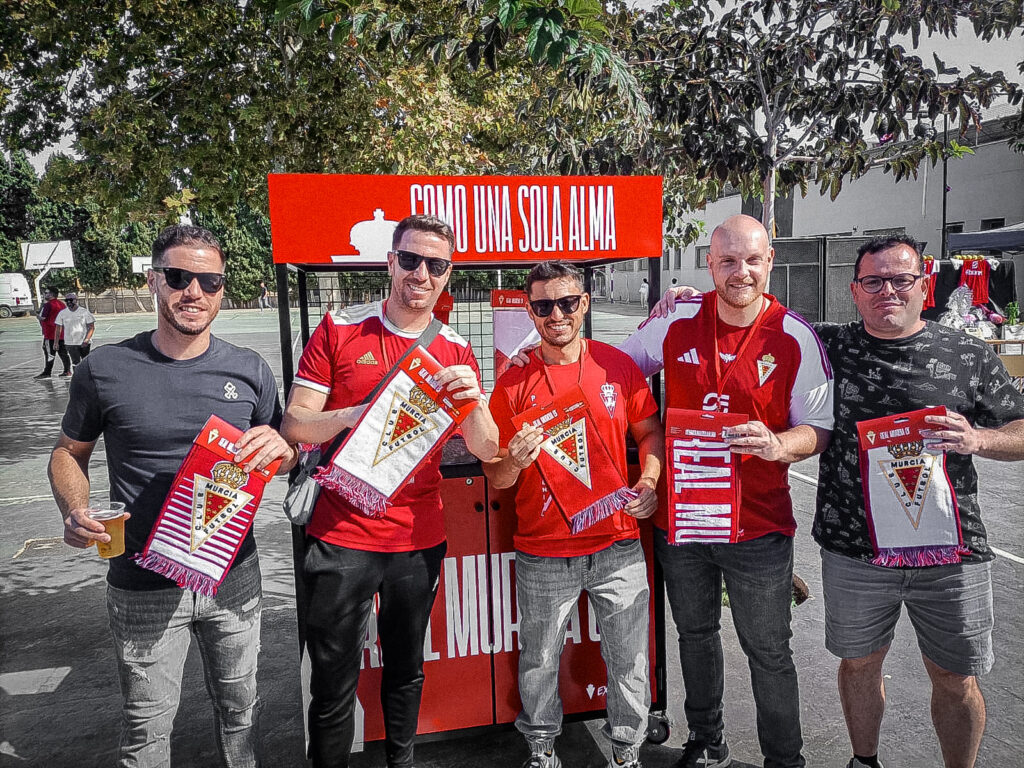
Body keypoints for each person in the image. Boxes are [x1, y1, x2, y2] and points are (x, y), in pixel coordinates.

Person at [47, 224, 297, 767]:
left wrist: (282, 447)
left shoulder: (249, 370)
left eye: (210, 282)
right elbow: (68, 452)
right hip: (143, 582)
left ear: (222, 290)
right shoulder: (104, 369)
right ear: (155, 280)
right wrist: (75, 508)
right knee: (146, 728)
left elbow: (285, 455)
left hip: (232, 575)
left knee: (241, 712)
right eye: (181, 277)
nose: (195, 293)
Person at [280, 214, 499, 768]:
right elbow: (295, 427)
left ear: (448, 275)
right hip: (340, 536)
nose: (421, 273)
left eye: (436, 265)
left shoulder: (455, 352)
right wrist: (356, 413)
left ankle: (400, 762)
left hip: (415, 540)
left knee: (406, 670)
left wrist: (474, 401)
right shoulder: (340, 329)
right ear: (390, 262)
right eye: (411, 259)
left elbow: (489, 449)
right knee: (333, 681)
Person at [619, 214, 833, 768]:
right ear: (710, 264)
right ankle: (707, 739)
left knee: (768, 652)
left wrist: (779, 444)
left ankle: (784, 759)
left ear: (770, 261)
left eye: (753, 259)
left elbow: (819, 428)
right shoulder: (677, 319)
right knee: (694, 635)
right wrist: (530, 348)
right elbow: (615, 371)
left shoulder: (794, 335)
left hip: (757, 526)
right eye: (728, 260)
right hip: (683, 521)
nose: (741, 271)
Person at [811, 235, 1024, 768]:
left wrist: (980, 439)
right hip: (855, 549)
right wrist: (683, 303)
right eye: (874, 281)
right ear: (854, 291)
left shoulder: (967, 352)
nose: (889, 290)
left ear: (923, 285)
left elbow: (1020, 427)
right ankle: (865, 761)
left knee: (956, 678)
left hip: (951, 551)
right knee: (859, 665)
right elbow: (753, 325)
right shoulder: (827, 347)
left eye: (902, 279)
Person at [484, 261, 663, 768]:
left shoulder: (616, 367)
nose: (556, 315)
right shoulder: (512, 383)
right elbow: (496, 476)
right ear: (530, 310)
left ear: (584, 303)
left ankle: (626, 751)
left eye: (566, 302)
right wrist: (513, 460)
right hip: (543, 550)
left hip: (617, 544)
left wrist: (648, 481)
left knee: (628, 659)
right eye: (543, 306)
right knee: (539, 659)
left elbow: (650, 432)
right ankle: (542, 749)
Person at [35, 286, 71, 378]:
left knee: (49, 354)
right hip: (61, 333)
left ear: (51, 294)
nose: (45, 294)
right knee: (63, 353)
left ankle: (47, 372)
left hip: (50, 334)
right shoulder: (62, 304)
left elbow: (43, 317)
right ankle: (67, 371)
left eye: (46, 293)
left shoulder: (48, 305)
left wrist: (37, 316)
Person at [54, 292, 96, 369]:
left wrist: (86, 340)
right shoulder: (62, 313)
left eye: (71, 300)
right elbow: (58, 329)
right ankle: (77, 378)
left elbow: (91, 327)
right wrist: (56, 343)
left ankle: (88, 378)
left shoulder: (84, 312)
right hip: (70, 343)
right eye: (66, 300)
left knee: (86, 361)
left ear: (76, 300)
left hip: (83, 342)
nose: (69, 302)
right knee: (75, 362)